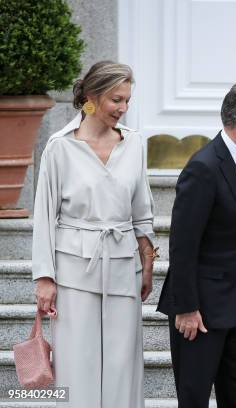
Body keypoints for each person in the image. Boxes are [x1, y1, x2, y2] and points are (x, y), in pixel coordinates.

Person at [32, 61, 156, 407]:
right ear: (91, 96)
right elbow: (43, 216)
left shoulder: (135, 144)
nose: (124, 109)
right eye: (117, 100)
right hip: (74, 269)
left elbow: (142, 210)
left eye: (128, 101)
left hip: (122, 265)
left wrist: (147, 264)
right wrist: (44, 278)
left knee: (123, 363)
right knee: (76, 363)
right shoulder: (59, 147)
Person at [157, 81, 236, 408]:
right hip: (199, 313)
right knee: (195, 399)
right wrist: (185, 306)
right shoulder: (203, 168)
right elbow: (183, 244)